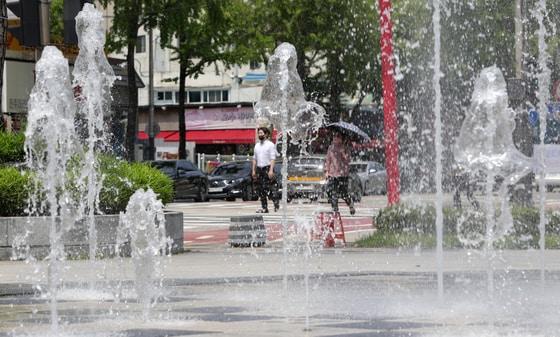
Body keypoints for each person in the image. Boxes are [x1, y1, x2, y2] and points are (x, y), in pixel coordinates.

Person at [324, 131, 355, 215]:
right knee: (332, 192)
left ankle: (350, 203)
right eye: (334, 136)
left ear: (341, 139)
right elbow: (328, 159)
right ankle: (335, 210)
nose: (335, 138)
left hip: (342, 174)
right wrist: (326, 171)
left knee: (343, 193)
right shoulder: (331, 148)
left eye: (338, 136)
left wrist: (342, 152)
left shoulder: (345, 148)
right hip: (332, 174)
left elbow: (348, 160)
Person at [252, 127, 279, 213]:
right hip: (259, 169)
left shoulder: (270, 145)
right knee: (261, 189)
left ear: (266, 134)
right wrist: (253, 170)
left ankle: (276, 205)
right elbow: (254, 159)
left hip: (267, 168)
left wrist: (271, 170)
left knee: (272, 188)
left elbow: (272, 158)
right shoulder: (256, 145)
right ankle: (264, 207)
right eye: (259, 133)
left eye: (261, 133)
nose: (260, 135)